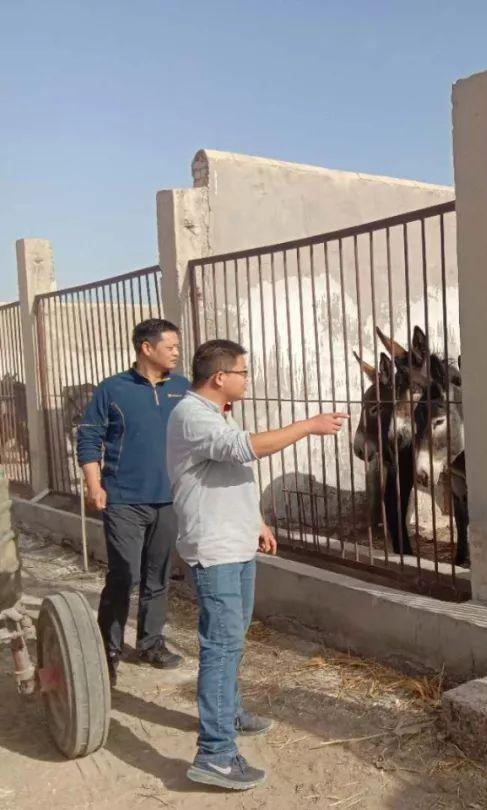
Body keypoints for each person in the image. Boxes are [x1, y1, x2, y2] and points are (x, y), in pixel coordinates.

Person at [166, 338, 345, 790]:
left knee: (233, 639)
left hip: (237, 542)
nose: (248, 379)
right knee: (221, 646)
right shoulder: (192, 415)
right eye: (243, 372)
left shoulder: (215, 414)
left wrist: (258, 521)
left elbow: (228, 476)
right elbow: (245, 450)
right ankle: (215, 754)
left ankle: (230, 714)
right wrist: (307, 426)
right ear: (220, 377)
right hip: (216, 549)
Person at [77, 319, 189, 687]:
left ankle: (151, 643)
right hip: (123, 499)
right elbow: (90, 440)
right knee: (124, 575)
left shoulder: (182, 388)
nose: (176, 352)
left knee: (158, 576)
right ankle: (108, 651)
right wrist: (95, 484)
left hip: (167, 499)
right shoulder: (112, 390)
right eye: (170, 346)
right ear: (146, 348)